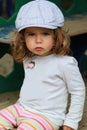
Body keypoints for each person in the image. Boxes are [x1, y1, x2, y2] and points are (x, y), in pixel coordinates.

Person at [0, 0, 85, 130]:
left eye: (45, 33)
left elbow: (78, 91)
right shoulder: (28, 58)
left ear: (56, 36)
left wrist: (71, 120)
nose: (38, 40)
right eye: (31, 34)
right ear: (23, 37)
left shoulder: (65, 63)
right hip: (21, 107)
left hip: (48, 116)